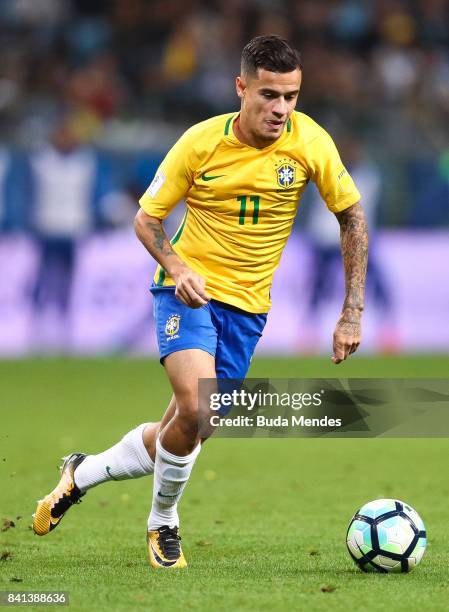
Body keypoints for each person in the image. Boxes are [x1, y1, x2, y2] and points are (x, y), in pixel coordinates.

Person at [33, 36, 368, 569]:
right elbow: (147, 218)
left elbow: (351, 216)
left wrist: (352, 310)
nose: (281, 108)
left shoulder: (312, 144)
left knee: (187, 429)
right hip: (186, 292)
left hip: (247, 309)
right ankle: (163, 524)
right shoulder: (199, 143)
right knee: (196, 408)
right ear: (241, 88)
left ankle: (82, 472)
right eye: (269, 95)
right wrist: (178, 267)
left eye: (292, 95)